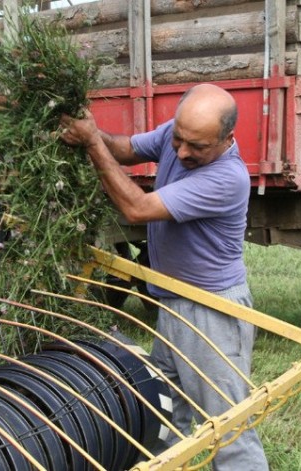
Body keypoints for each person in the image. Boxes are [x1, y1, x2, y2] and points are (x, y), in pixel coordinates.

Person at [60, 83, 268, 470]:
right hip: (173, 302)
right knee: (165, 414)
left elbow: (137, 208)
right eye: (178, 140)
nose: (182, 152)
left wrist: (91, 145)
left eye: (197, 148)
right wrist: (91, 130)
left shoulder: (227, 178)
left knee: (230, 426)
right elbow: (124, 148)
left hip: (212, 311)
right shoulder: (183, 134)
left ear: (227, 140)